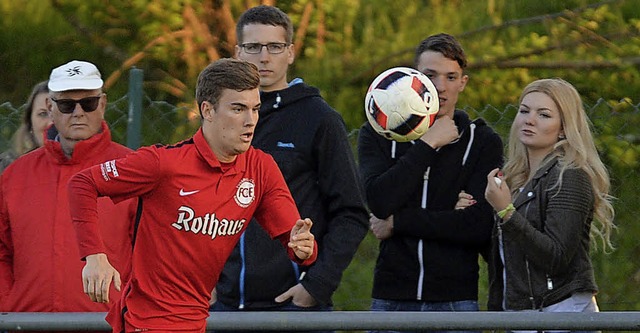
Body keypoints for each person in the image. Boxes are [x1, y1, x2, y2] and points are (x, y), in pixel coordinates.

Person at [66, 58, 317, 332]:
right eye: (238, 109)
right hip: (145, 323)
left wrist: (304, 247)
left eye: (255, 109)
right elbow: (82, 184)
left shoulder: (261, 169)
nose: (250, 120)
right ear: (207, 110)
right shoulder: (163, 164)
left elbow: (298, 244)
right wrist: (94, 256)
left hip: (196, 321)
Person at [211, 5, 369, 329]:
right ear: (238, 52)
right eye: (253, 47)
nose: (264, 57)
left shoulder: (318, 119)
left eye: (275, 46)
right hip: (224, 308)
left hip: (292, 307)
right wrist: (202, 281)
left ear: (291, 52)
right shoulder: (218, 118)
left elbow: (351, 214)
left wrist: (316, 287)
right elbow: (197, 207)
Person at [357, 33, 504, 333]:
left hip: (455, 302)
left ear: (463, 82)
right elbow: (380, 200)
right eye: (430, 75)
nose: (440, 86)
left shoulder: (483, 142)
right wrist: (428, 143)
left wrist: (399, 222)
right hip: (391, 299)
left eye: (451, 77)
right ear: (415, 78)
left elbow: (477, 226)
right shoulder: (378, 132)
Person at [0, 61, 135, 317]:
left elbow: (151, 252)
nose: (78, 112)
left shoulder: (132, 170)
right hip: (28, 322)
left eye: (88, 103)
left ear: (103, 104)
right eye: (66, 104)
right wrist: (9, 302)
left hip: (108, 322)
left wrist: (127, 306)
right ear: (50, 108)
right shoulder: (16, 176)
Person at [483, 78, 615, 327]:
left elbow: (556, 257)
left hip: (562, 312)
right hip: (523, 313)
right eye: (524, 111)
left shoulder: (570, 176)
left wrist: (506, 212)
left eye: (543, 115)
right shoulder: (514, 180)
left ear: (564, 127)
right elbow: (505, 254)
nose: (529, 120)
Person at [0, 81, 52, 173]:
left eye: (58, 113)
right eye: (43, 114)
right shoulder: (6, 168)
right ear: (30, 122)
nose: (50, 123)